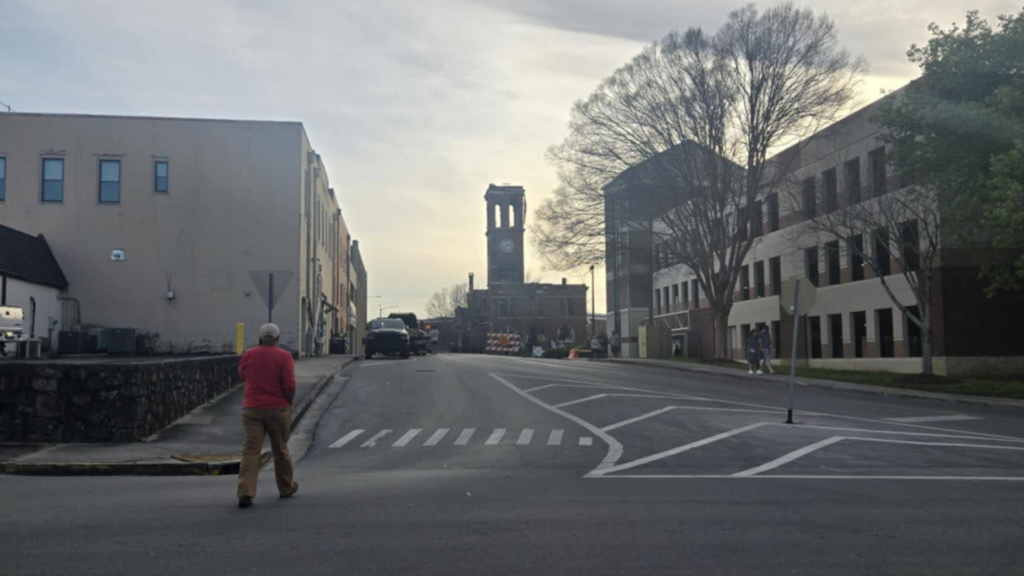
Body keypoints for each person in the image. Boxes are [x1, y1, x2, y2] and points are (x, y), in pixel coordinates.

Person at [237, 323, 299, 509]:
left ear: (260, 338)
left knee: (251, 450)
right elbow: (289, 385)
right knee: (280, 449)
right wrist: (288, 401)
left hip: (252, 408)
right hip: (277, 408)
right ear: (278, 339)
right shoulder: (284, 357)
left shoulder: (249, 354)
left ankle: (246, 491)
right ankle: (285, 487)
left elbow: (242, 375)